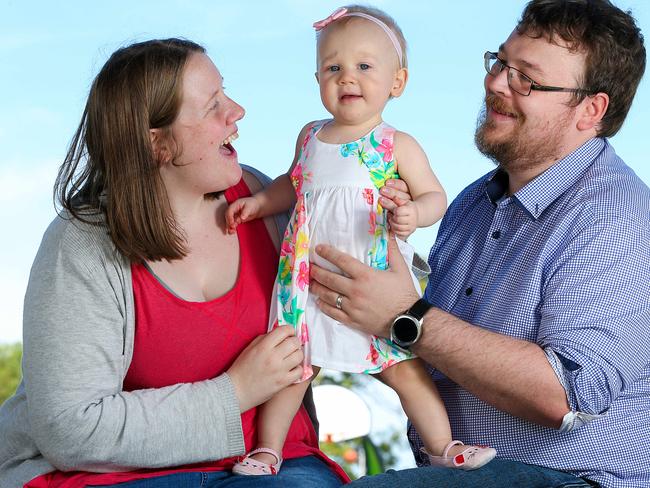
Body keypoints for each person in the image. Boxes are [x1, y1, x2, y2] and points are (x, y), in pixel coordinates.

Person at [309, 1, 649, 487]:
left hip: (575, 476)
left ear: (591, 109)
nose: (496, 84)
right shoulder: (471, 203)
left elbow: (568, 396)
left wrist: (405, 316)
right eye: (500, 63)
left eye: (526, 78)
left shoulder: (613, 211)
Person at [0, 38, 351, 488]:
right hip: (104, 476)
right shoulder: (81, 243)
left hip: (268, 467)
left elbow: (347, 295)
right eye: (212, 106)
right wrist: (236, 392)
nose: (237, 111)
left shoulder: (266, 204)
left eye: (226, 93)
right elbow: (72, 426)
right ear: (157, 144)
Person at [225, 4, 496, 477]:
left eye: (364, 67)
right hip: (309, 278)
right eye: (333, 67)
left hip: (374, 276)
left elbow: (436, 196)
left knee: (403, 369)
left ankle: (443, 445)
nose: (347, 78)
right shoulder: (310, 136)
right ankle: (268, 450)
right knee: (293, 365)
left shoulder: (394, 144)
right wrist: (260, 203)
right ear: (317, 79)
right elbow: (295, 183)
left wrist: (413, 212)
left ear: (397, 82)